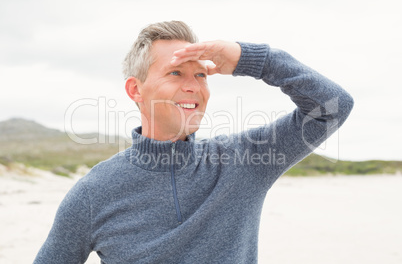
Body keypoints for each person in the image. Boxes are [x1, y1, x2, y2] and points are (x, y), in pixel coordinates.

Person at [34, 20, 353, 263]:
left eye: (200, 75)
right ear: (135, 90)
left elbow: (332, 106)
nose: (193, 87)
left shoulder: (243, 160)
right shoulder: (93, 194)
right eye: (176, 74)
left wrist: (252, 60)